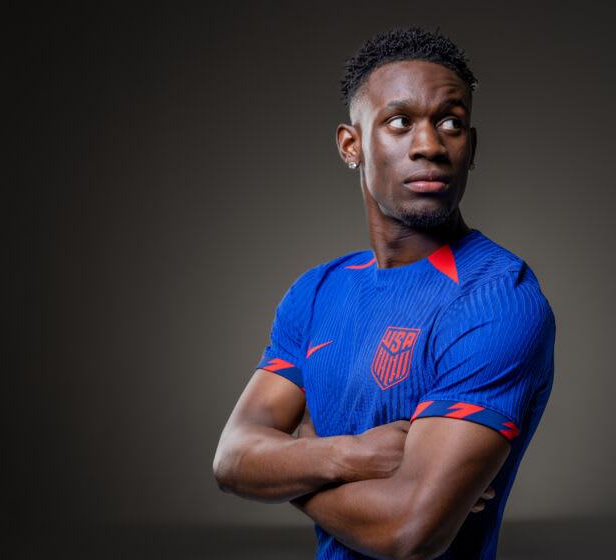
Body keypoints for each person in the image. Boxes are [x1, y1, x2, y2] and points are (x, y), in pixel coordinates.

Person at [213, 27, 555, 560]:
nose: (430, 146)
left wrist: (297, 458)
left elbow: (409, 531)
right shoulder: (317, 291)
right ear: (352, 145)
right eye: (400, 122)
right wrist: (347, 456)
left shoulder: (496, 300)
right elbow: (233, 459)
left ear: (472, 146)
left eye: (451, 123)